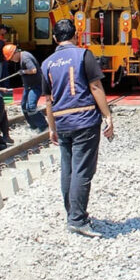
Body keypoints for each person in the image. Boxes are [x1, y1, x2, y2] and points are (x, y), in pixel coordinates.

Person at [42, 19, 115, 238]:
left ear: (55, 38)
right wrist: (108, 115)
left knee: (68, 169)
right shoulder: (84, 55)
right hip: (84, 120)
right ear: (75, 35)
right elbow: (95, 86)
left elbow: (48, 100)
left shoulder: (47, 63)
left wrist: (51, 128)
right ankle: (77, 220)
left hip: (62, 122)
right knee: (83, 170)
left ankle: (72, 214)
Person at [4, 43, 47, 131]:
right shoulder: (22, 56)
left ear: (15, 52)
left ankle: (44, 126)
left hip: (35, 85)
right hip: (29, 86)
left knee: (31, 107)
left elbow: (33, 70)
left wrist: (23, 71)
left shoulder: (25, 58)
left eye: (11, 58)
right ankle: (33, 126)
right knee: (24, 106)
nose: (12, 60)